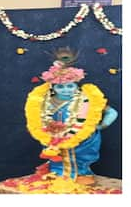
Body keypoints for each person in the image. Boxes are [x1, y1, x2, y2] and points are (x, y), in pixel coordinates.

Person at [25, 56, 118, 186]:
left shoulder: (88, 99)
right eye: (60, 87)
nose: (66, 90)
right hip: (54, 137)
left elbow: (112, 112)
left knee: (81, 157)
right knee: (56, 157)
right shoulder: (44, 100)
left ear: (76, 85)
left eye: (70, 86)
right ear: (53, 87)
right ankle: (57, 173)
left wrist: (101, 125)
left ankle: (82, 173)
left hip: (84, 139)